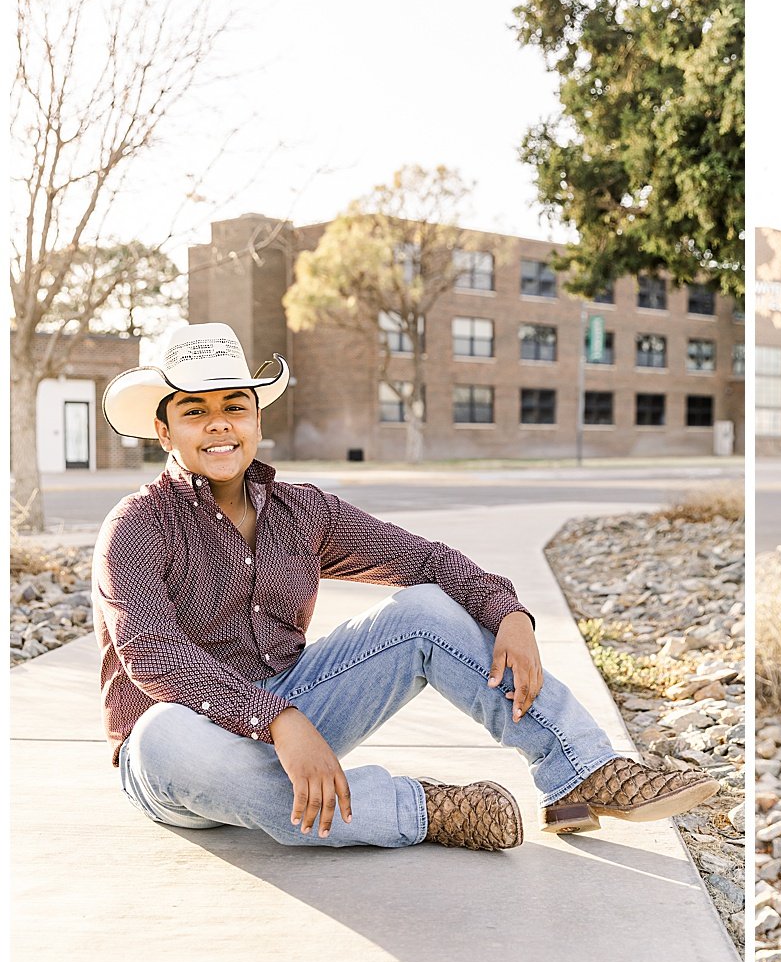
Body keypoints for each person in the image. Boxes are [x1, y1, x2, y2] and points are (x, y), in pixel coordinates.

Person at [94, 322, 717, 851]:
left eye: (234, 406)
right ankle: (421, 811)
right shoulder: (135, 526)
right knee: (161, 739)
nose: (219, 425)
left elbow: (418, 558)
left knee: (423, 609)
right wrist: (276, 718)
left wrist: (508, 611)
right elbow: (155, 657)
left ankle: (581, 772)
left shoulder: (299, 511)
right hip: (191, 746)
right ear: (163, 430)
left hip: (297, 710)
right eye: (195, 411)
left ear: (257, 418)